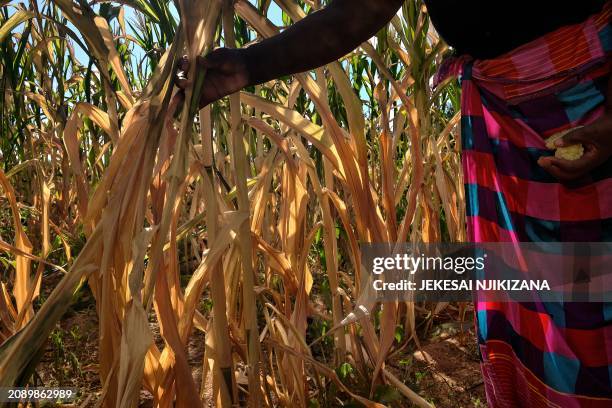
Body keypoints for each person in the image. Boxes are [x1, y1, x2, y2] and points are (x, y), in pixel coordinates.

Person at [178, 1, 612, 406]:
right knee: (537, 303)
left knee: (594, 304)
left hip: (591, 107)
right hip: (510, 126)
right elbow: (361, 10)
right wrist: (249, 65)